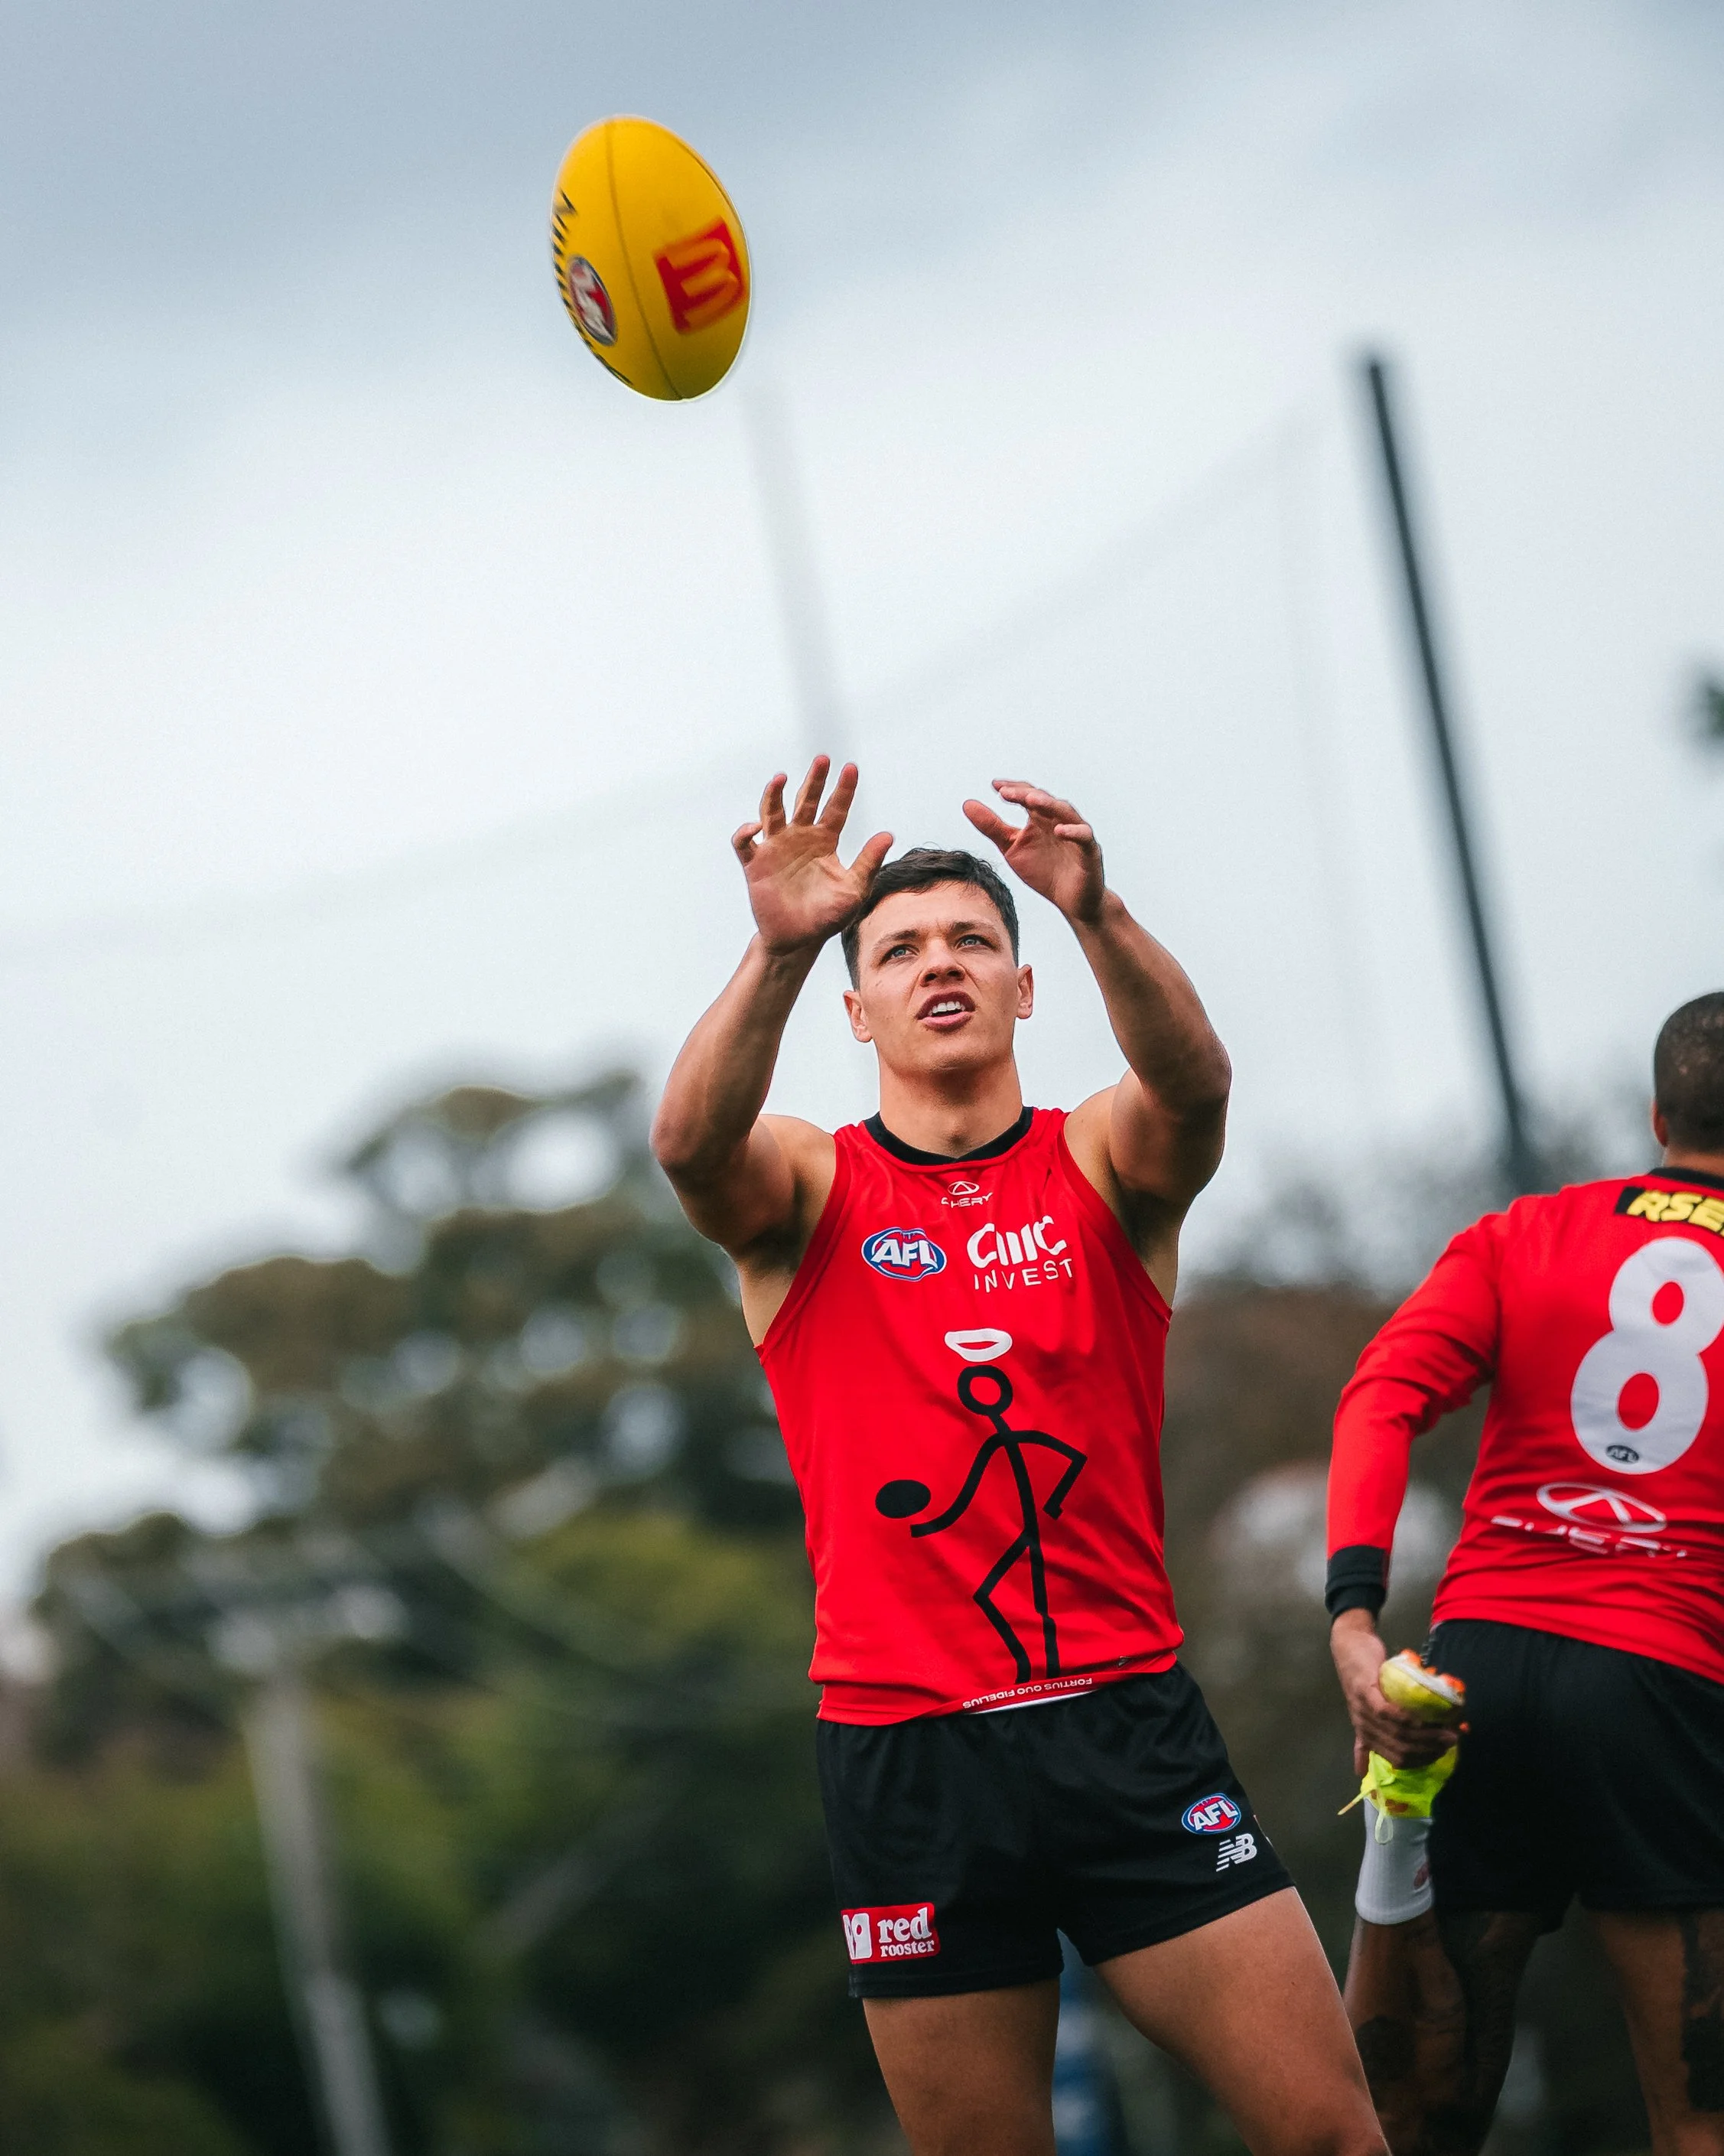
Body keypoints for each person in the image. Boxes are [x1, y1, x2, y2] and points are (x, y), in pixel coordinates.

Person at [653, 757, 1384, 2156]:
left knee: (1330, 2132)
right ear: (854, 1004)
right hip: (906, 1760)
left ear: (1022, 985)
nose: (942, 965)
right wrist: (775, 947)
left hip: (1125, 1728)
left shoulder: (1101, 1158)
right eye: (902, 948)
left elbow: (1196, 1082)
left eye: (973, 941)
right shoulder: (807, 1184)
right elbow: (690, 1147)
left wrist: (1098, 913)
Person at [1326, 991, 1724, 2156]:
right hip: (1662, 1682)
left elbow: (1378, 1396)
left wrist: (1355, 1612)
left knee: (1425, 2114)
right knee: (1696, 2115)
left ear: (1656, 1114)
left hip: (1479, 1668)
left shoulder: (1524, 1232)